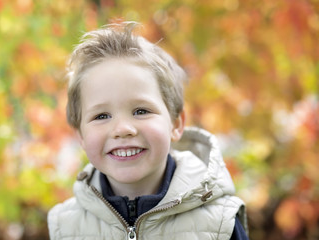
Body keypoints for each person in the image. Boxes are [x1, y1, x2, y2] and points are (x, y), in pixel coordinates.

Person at [48, 21, 249, 240]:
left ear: (176, 124)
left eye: (141, 111)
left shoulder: (219, 223)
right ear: (81, 136)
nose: (123, 129)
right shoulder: (65, 227)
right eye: (102, 116)